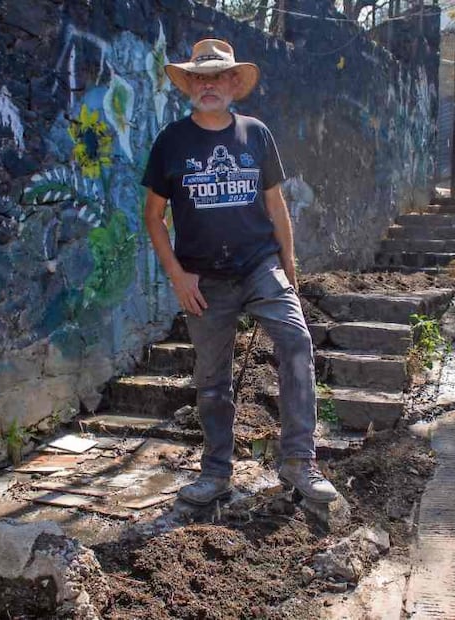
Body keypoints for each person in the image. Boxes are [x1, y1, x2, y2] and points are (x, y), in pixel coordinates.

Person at [141, 39, 339, 505]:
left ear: (233, 83)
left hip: (259, 265)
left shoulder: (256, 134)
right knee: (212, 380)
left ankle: (298, 461)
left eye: (218, 77)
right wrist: (177, 276)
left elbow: (275, 204)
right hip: (202, 278)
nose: (208, 85)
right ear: (189, 85)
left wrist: (288, 268)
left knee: (296, 343)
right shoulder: (171, 141)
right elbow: (153, 216)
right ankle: (215, 473)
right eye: (200, 78)